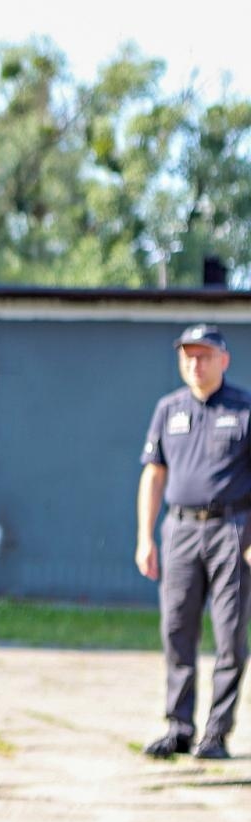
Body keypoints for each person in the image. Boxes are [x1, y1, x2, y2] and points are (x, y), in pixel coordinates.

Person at [136, 323, 251, 761]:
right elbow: (154, 473)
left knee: (229, 635)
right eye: (187, 355)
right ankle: (179, 727)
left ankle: (216, 735)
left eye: (203, 355)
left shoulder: (244, 408)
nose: (194, 363)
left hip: (233, 531)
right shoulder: (168, 409)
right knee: (177, 630)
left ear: (224, 359)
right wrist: (146, 536)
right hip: (179, 531)